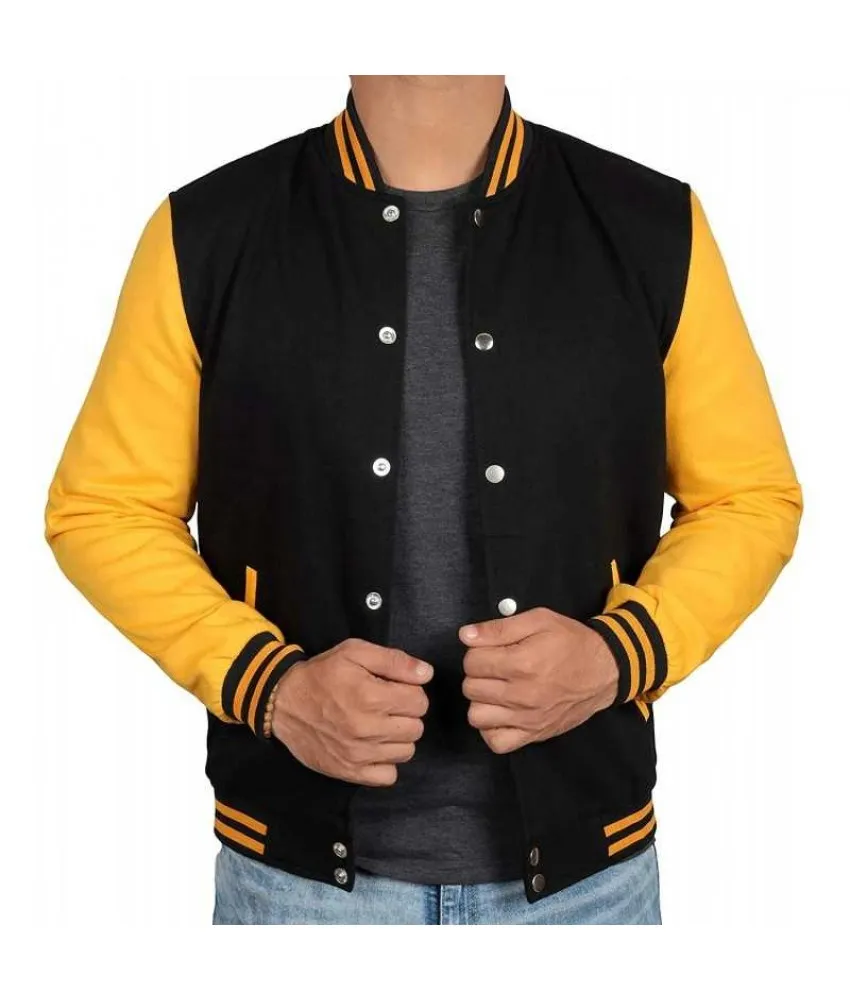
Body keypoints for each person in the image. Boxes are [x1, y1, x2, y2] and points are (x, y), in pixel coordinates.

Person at [45, 75, 802, 925]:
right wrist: (272, 686)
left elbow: (747, 497)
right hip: (295, 890)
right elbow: (103, 508)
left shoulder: (653, 225)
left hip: (590, 888)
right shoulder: (207, 230)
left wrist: (616, 655)